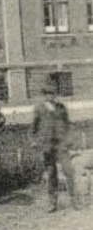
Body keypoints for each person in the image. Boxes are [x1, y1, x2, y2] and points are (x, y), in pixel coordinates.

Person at [32, 78, 78, 212]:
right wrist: (35, 141)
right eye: (48, 93)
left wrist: (70, 139)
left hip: (61, 145)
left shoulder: (61, 108)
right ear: (44, 95)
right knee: (51, 174)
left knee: (68, 171)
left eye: (53, 93)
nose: (51, 96)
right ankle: (52, 203)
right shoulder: (39, 109)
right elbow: (34, 128)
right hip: (47, 146)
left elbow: (68, 125)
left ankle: (74, 200)